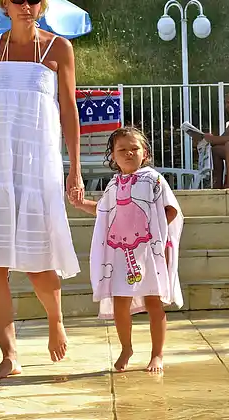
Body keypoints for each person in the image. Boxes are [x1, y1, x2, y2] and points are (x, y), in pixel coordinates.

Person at [0, 0, 84, 380]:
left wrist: (75, 169)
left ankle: (55, 319)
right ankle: (9, 356)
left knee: (38, 259)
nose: (26, 5)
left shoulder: (59, 48)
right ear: (4, 4)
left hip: (37, 161)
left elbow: (68, 108)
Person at [70, 127, 183, 373]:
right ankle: (126, 347)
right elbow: (104, 211)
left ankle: (157, 354)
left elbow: (171, 210)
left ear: (146, 153)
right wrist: (80, 204)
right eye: (122, 150)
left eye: (135, 149)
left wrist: (156, 239)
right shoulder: (113, 184)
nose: (129, 153)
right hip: (122, 253)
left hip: (148, 253)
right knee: (121, 301)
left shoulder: (153, 179)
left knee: (154, 302)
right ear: (112, 156)